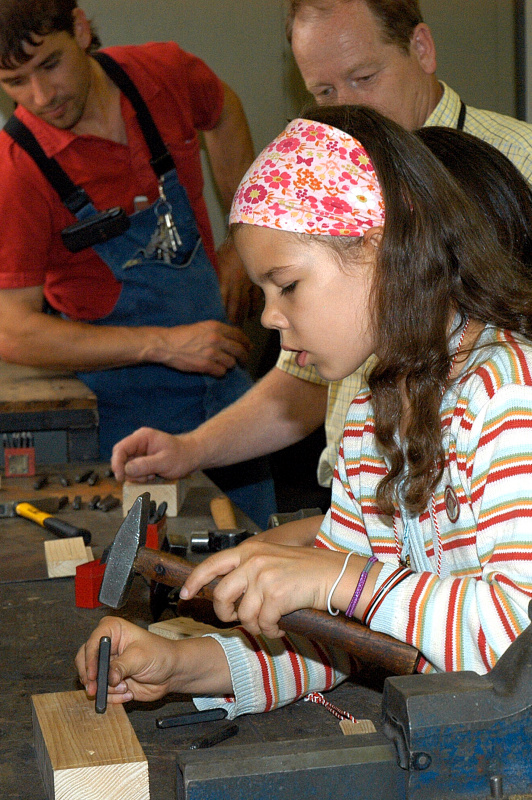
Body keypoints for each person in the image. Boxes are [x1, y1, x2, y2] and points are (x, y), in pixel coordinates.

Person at [78, 106, 532, 716]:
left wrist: (338, 578)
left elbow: (516, 640)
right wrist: (182, 663)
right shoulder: (374, 414)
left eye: (287, 285)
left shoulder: (509, 393)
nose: (268, 315)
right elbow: (343, 643)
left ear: (385, 246)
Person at [111, 0, 532, 510]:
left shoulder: (517, 166)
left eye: (364, 76)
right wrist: (191, 448)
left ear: (421, 49)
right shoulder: (328, 184)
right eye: (325, 92)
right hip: (370, 508)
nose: (348, 109)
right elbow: (303, 380)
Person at [0, 0, 275, 525]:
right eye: (14, 82)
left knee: (256, 550)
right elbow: (13, 330)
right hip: (126, 414)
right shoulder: (18, 169)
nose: (41, 97)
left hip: (224, 386)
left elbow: (222, 109)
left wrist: (243, 234)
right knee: (158, 572)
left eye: (50, 65)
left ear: (79, 29)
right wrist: (164, 344)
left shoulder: (160, 73)